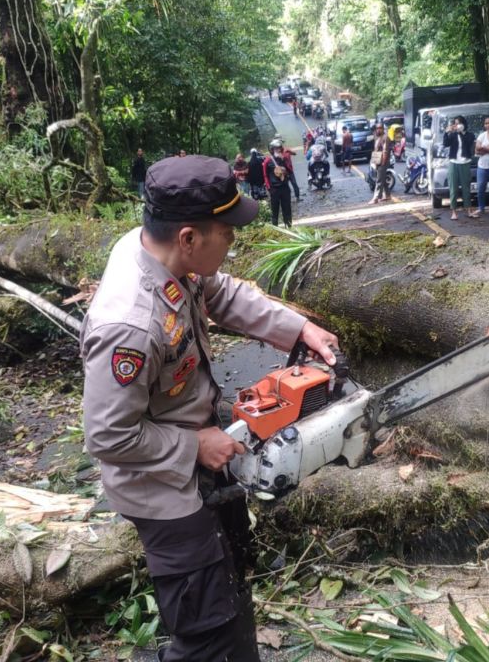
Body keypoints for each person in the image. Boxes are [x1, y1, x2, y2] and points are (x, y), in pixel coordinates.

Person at [80, 155, 339, 662]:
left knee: (232, 582)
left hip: (198, 451)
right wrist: (195, 443)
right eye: (228, 231)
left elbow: (223, 294)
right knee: (206, 631)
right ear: (189, 238)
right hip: (162, 486)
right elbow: (108, 437)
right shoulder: (128, 327)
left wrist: (298, 327)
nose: (234, 241)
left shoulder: (168, 257)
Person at [442, 117, 475, 219]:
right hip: (453, 162)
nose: (457, 125)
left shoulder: (470, 135)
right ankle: (454, 212)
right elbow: (445, 143)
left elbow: (468, 143)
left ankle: (469, 210)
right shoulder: (453, 135)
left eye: (459, 123)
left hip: (465, 162)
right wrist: (446, 132)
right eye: (455, 124)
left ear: (464, 124)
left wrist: (462, 133)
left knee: (466, 187)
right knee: (453, 188)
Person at [264, 138, 294, 227]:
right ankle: (275, 228)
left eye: (279, 148)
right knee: (275, 210)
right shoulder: (267, 161)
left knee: (287, 208)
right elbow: (265, 175)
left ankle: (289, 226)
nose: (278, 150)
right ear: (272, 150)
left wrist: (284, 161)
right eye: (276, 148)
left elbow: (290, 171)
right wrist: (269, 188)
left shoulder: (284, 158)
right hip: (274, 189)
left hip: (285, 187)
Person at [369, 124, 392, 204]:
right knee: (382, 178)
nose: (378, 130)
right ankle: (388, 195)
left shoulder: (385, 138)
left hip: (383, 161)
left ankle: (376, 198)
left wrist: (383, 162)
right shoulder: (378, 137)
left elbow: (385, 151)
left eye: (380, 128)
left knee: (379, 180)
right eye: (377, 128)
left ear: (383, 129)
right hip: (378, 161)